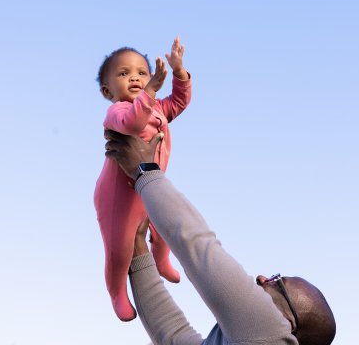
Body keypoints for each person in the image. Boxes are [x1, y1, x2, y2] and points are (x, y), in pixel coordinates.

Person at [104, 130, 337, 344]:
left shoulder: (272, 333)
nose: (263, 278)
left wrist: (145, 170)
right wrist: (138, 251)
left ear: (289, 323)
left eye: (278, 283)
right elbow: (171, 334)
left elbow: (197, 245)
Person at [94, 37, 192, 321]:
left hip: (149, 184)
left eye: (141, 72)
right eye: (124, 74)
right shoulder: (118, 111)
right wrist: (149, 91)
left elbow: (179, 102)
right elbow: (133, 124)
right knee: (120, 248)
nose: (135, 78)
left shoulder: (158, 108)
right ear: (107, 90)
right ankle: (117, 292)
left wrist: (179, 72)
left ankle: (161, 260)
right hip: (118, 195)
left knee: (165, 225)